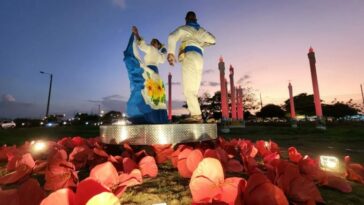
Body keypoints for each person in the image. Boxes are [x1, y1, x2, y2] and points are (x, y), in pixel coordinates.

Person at [167, 11, 216, 123]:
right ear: (196, 20)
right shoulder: (201, 30)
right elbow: (213, 40)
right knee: (193, 89)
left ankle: (196, 115)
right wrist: (203, 43)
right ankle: (196, 114)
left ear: (186, 19)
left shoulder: (184, 28)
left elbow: (172, 36)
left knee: (188, 89)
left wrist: (170, 53)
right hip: (199, 58)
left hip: (189, 55)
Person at [123, 26, 168, 124]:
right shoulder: (158, 54)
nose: (152, 43)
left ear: (155, 44)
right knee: (155, 96)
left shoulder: (151, 49)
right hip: (155, 74)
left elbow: (142, 45)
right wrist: (163, 47)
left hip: (151, 72)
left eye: (153, 42)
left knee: (146, 92)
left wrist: (136, 34)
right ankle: (156, 117)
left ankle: (145, 115)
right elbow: (164, 56)